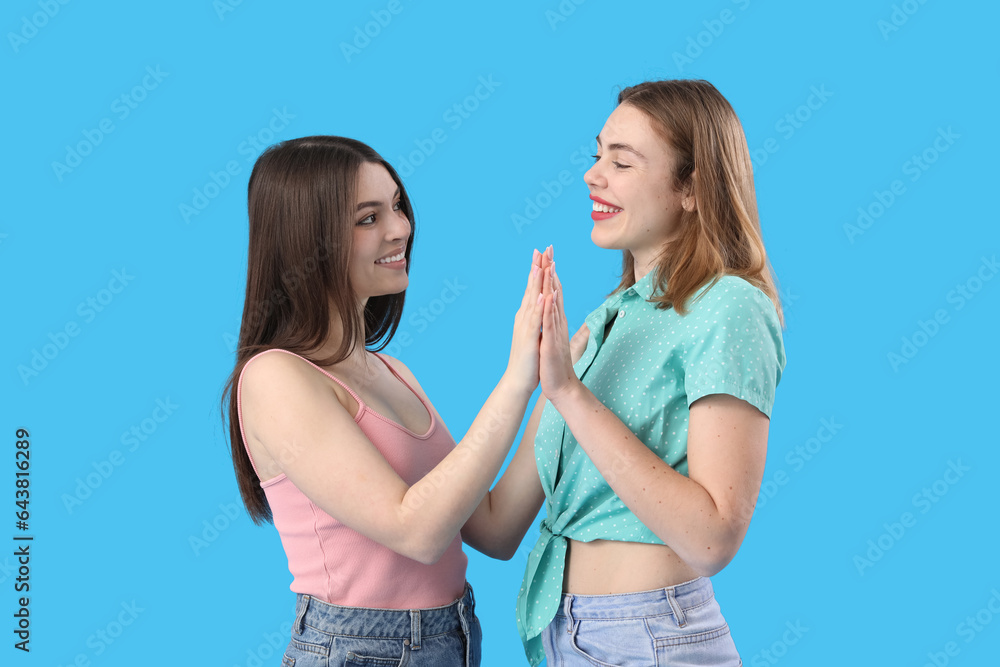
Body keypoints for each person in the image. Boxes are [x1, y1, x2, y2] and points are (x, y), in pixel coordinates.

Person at [220, 135, 555, 666]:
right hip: (357, 650)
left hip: (454, 638)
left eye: (397, 206)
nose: (401, 228)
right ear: (308, 240)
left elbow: (494, 527)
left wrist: (556, 387)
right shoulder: (275, 377)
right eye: (367, 218)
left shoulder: (393, 371)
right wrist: (516, 380)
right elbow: (415, 530)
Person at [514, 79, 788, 665]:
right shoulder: (605, 322)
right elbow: (493, 526)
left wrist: (566, 391)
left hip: (652, 640)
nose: (593, 175)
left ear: (691, 188)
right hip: (567, 635)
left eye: (622, 161)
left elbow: (712, 539)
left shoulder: (729, 305)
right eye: (597, 155)